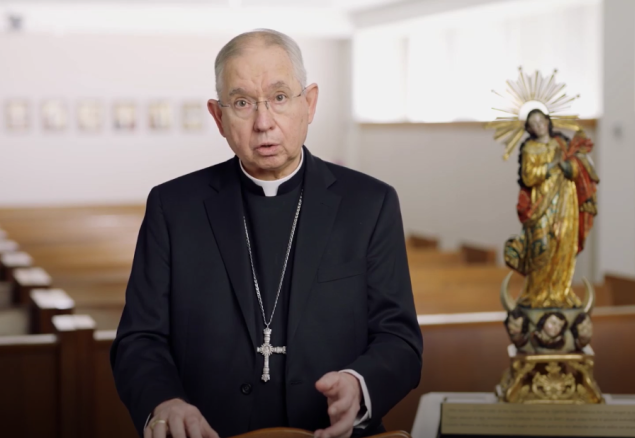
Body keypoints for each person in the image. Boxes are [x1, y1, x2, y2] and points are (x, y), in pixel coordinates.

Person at [110, 29, 423, 438]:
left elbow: (400, 339)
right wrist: (164, 403)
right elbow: (139, 339)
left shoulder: (370, 204)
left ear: (308, 103)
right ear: (218, 117)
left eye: (279, 97)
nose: (263, 123)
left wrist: (358, 385)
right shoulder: (173, 208)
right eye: (242, 103)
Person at [503, 109, 599, 309]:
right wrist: (549, 167)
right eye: (533, 123)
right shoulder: (529, 148)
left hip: (566, 201)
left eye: (541, 121)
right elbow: (528, 176)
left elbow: (577, 168)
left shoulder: (561, 144)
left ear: (547, 121)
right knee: (541, 246)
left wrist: (568, 167)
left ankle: (560, 292)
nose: (539, 126)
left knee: (564, 244)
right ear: (529, 128)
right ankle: (537, 294)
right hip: (541, 203)